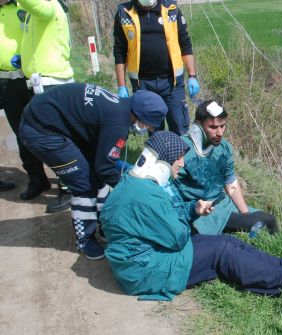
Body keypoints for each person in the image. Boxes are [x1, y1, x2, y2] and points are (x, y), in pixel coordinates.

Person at [100, 131, 282, 301]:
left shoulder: (131, 182)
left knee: (228, 242)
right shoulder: (151, 195)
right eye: (177, 158)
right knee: (223, 250)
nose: (181, 163)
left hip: (141, 260)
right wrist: (181, 210)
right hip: (147, 272)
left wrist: (193, 209)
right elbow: (179, 237)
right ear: (162, 161)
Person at [19, 83, 168, 260]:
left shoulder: (121, 106)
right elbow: (105, 168)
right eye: (149, 127)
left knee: (98, 175)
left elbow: (104, 163)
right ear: (142, 118)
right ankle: (85, 239)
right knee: (84, 183)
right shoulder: (117, 123)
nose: (148, 130)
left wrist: (117, 171)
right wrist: (130, 187)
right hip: (41, 131)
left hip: (50, 118)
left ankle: (104, 223)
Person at [174, 100, 279, 236]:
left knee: (270, 220)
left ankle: (279, 251)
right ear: (198, 126)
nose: (219, 132)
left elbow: (230, 182)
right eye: (213, 127)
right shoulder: (182, 148)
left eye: (222, 126)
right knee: (257, 226)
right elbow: (172, 186)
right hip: (204, 211)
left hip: (224, 203)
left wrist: (245, 214)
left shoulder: (224, 148)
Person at [14, 0, 75, 212]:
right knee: (51, 137)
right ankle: (66, 185)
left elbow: (36, 6)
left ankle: (69, 188)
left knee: (56, 140)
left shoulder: (51, 6)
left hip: (52, 83)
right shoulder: (33, 11)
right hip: (40, 82)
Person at [113, 0, 199, 135]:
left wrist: (192, 75)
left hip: (172, 83)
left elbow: (185, 43)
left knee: (179, 127)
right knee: (154, 130)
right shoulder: (124, 13)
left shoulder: (171, 9)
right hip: (143, 84)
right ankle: (158, 155)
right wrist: (121, 86)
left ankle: (180, 155)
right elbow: (119, 52)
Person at [0, 0, 28, 193]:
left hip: (26, 79)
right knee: (18, 129)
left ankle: (40, 178)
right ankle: (35, 177)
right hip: (2, 79)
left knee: (32, 130)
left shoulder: (25, 7)